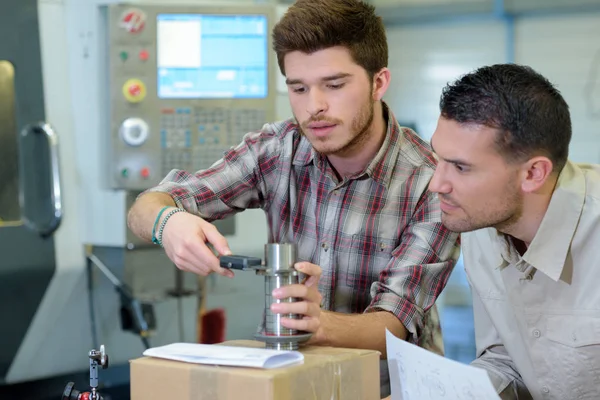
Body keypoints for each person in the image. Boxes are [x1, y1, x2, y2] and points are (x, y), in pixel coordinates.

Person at [127, 0, 459, 396]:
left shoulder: (430, 182)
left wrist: (318, 323)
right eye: (298, 88)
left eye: (334, 85)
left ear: (378, 82)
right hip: (290, 383)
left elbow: (395, 323)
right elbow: (147, 206)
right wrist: (169, 223)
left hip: (388, 390)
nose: (313, 106)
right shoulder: (276, 149)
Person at [428, 63, 600, 399]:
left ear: (534, 173)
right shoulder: (483, 221)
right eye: (439, 159)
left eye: (460, 167)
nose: (437, 183)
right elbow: (507, 361)